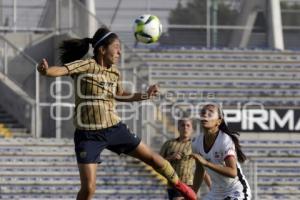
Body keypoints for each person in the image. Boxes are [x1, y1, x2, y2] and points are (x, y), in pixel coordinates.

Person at [37, 26, 197, 200]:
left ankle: (183, 189)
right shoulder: (86, 65)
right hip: (88, 135)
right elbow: (61, 70)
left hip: (114, 128)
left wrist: (145, 95)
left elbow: (120, 94)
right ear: (102, 49)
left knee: (154, 159)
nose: (120, 52)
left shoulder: (114, 73)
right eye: (116, 47)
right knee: (89, 189)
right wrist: (45, 71)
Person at [191, 104, 251, 200]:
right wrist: (192, 193)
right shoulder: (196, 142)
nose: (205, 114)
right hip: (216, 192)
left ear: (219, 121)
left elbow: (233, 172)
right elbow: (199, 170)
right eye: (203, 112)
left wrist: (206, 163)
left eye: (210, 113)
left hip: (235, 190)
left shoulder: (225, 140)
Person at [160, 118, 196, 200]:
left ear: (192, 129)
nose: (185, 128)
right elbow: (158, 162)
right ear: (178, 128)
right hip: (172, 183)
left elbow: (201, 166)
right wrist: (170, 157)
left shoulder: (195, 145)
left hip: (188, 183)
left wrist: (210, 184)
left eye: (188, 125)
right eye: (183, 125)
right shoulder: (169, 143)